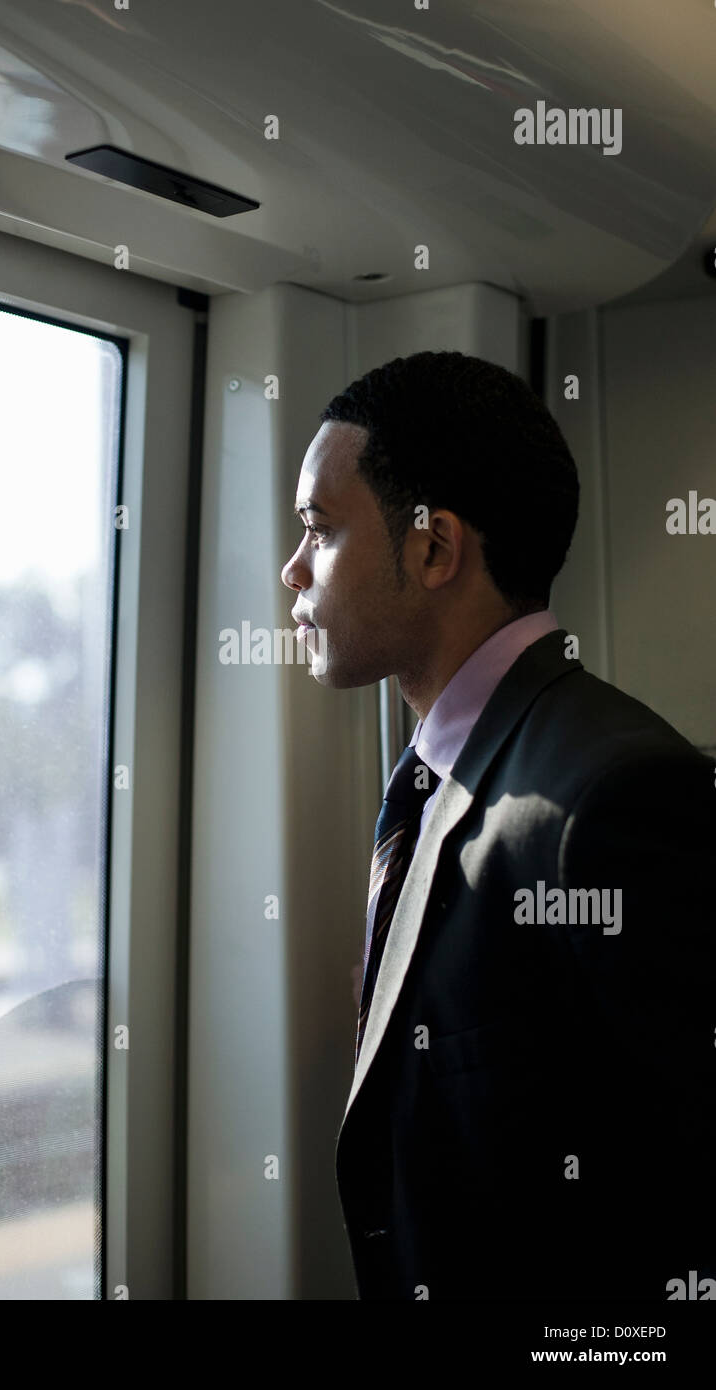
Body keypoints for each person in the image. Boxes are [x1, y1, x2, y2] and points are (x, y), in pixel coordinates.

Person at [280, 350, 716, 1301]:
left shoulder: (614, 795)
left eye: (319, 529)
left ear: (434, 549)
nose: (292, 568)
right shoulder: (447, 778)